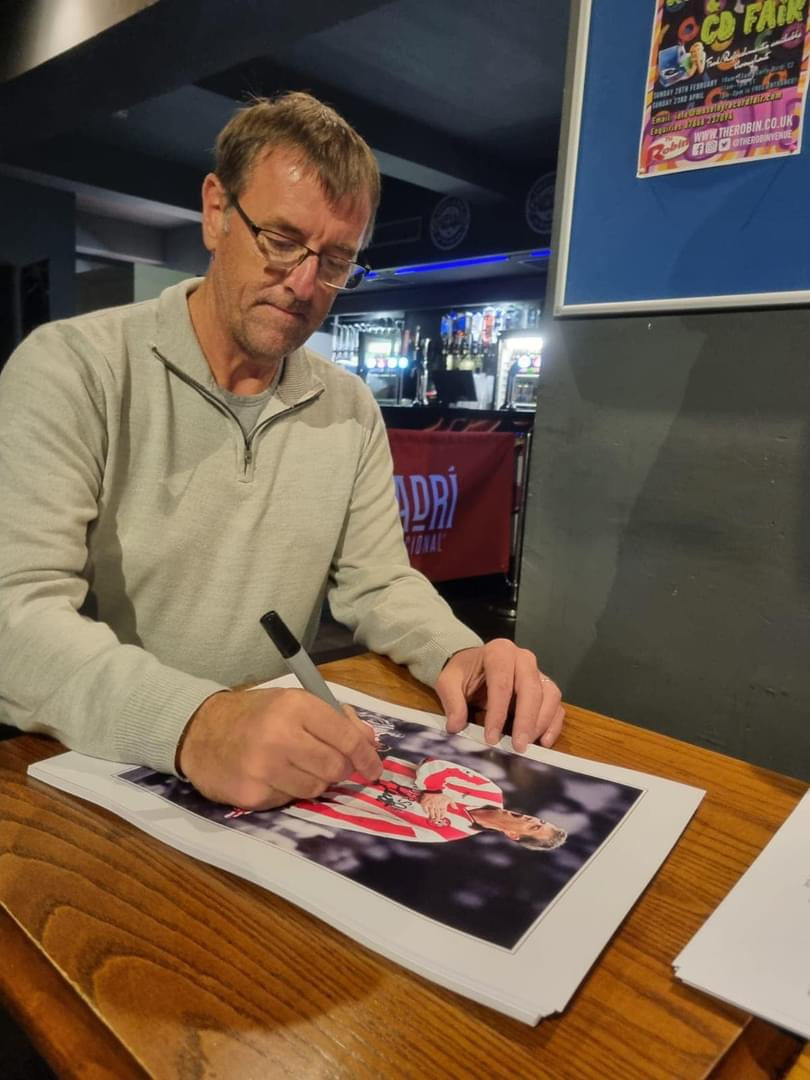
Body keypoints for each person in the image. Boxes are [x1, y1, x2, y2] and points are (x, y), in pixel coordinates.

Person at [0, 91, 564, 810]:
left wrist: (461, 653)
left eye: (335, 260)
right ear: (214, 210)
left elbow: (378, 583)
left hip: (267, 782)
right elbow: (15, 619)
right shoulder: (74, 368)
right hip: (85, 770)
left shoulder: (349, 405)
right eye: (281, 240)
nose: (303, 283)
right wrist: (196, 723)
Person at [231, 754, 568, 850]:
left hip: (314, 785)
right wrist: (434, 790)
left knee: (245, 769)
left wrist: (287, 802)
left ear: (514, 836)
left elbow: (360, 821)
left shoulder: (442, 834)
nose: (530, 818)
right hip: (344, 756)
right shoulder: (488, 791)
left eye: (533, 827)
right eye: (537, 819)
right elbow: (435, 764)